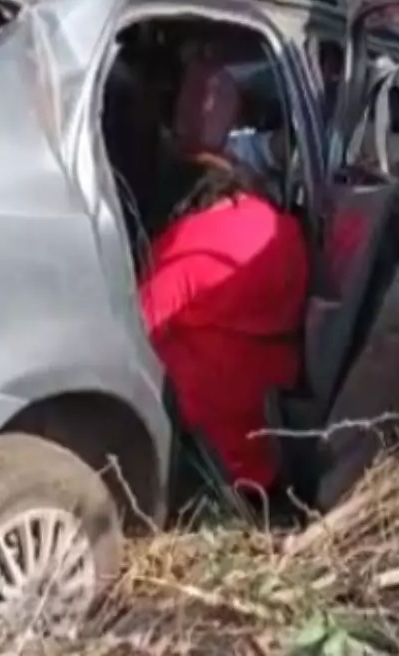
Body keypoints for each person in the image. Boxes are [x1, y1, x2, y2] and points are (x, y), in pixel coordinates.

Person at [138, 58, 310, 495]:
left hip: (212, 455)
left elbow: (129, 334)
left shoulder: (186, 255)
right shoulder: (281, 231)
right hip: (274, 438)